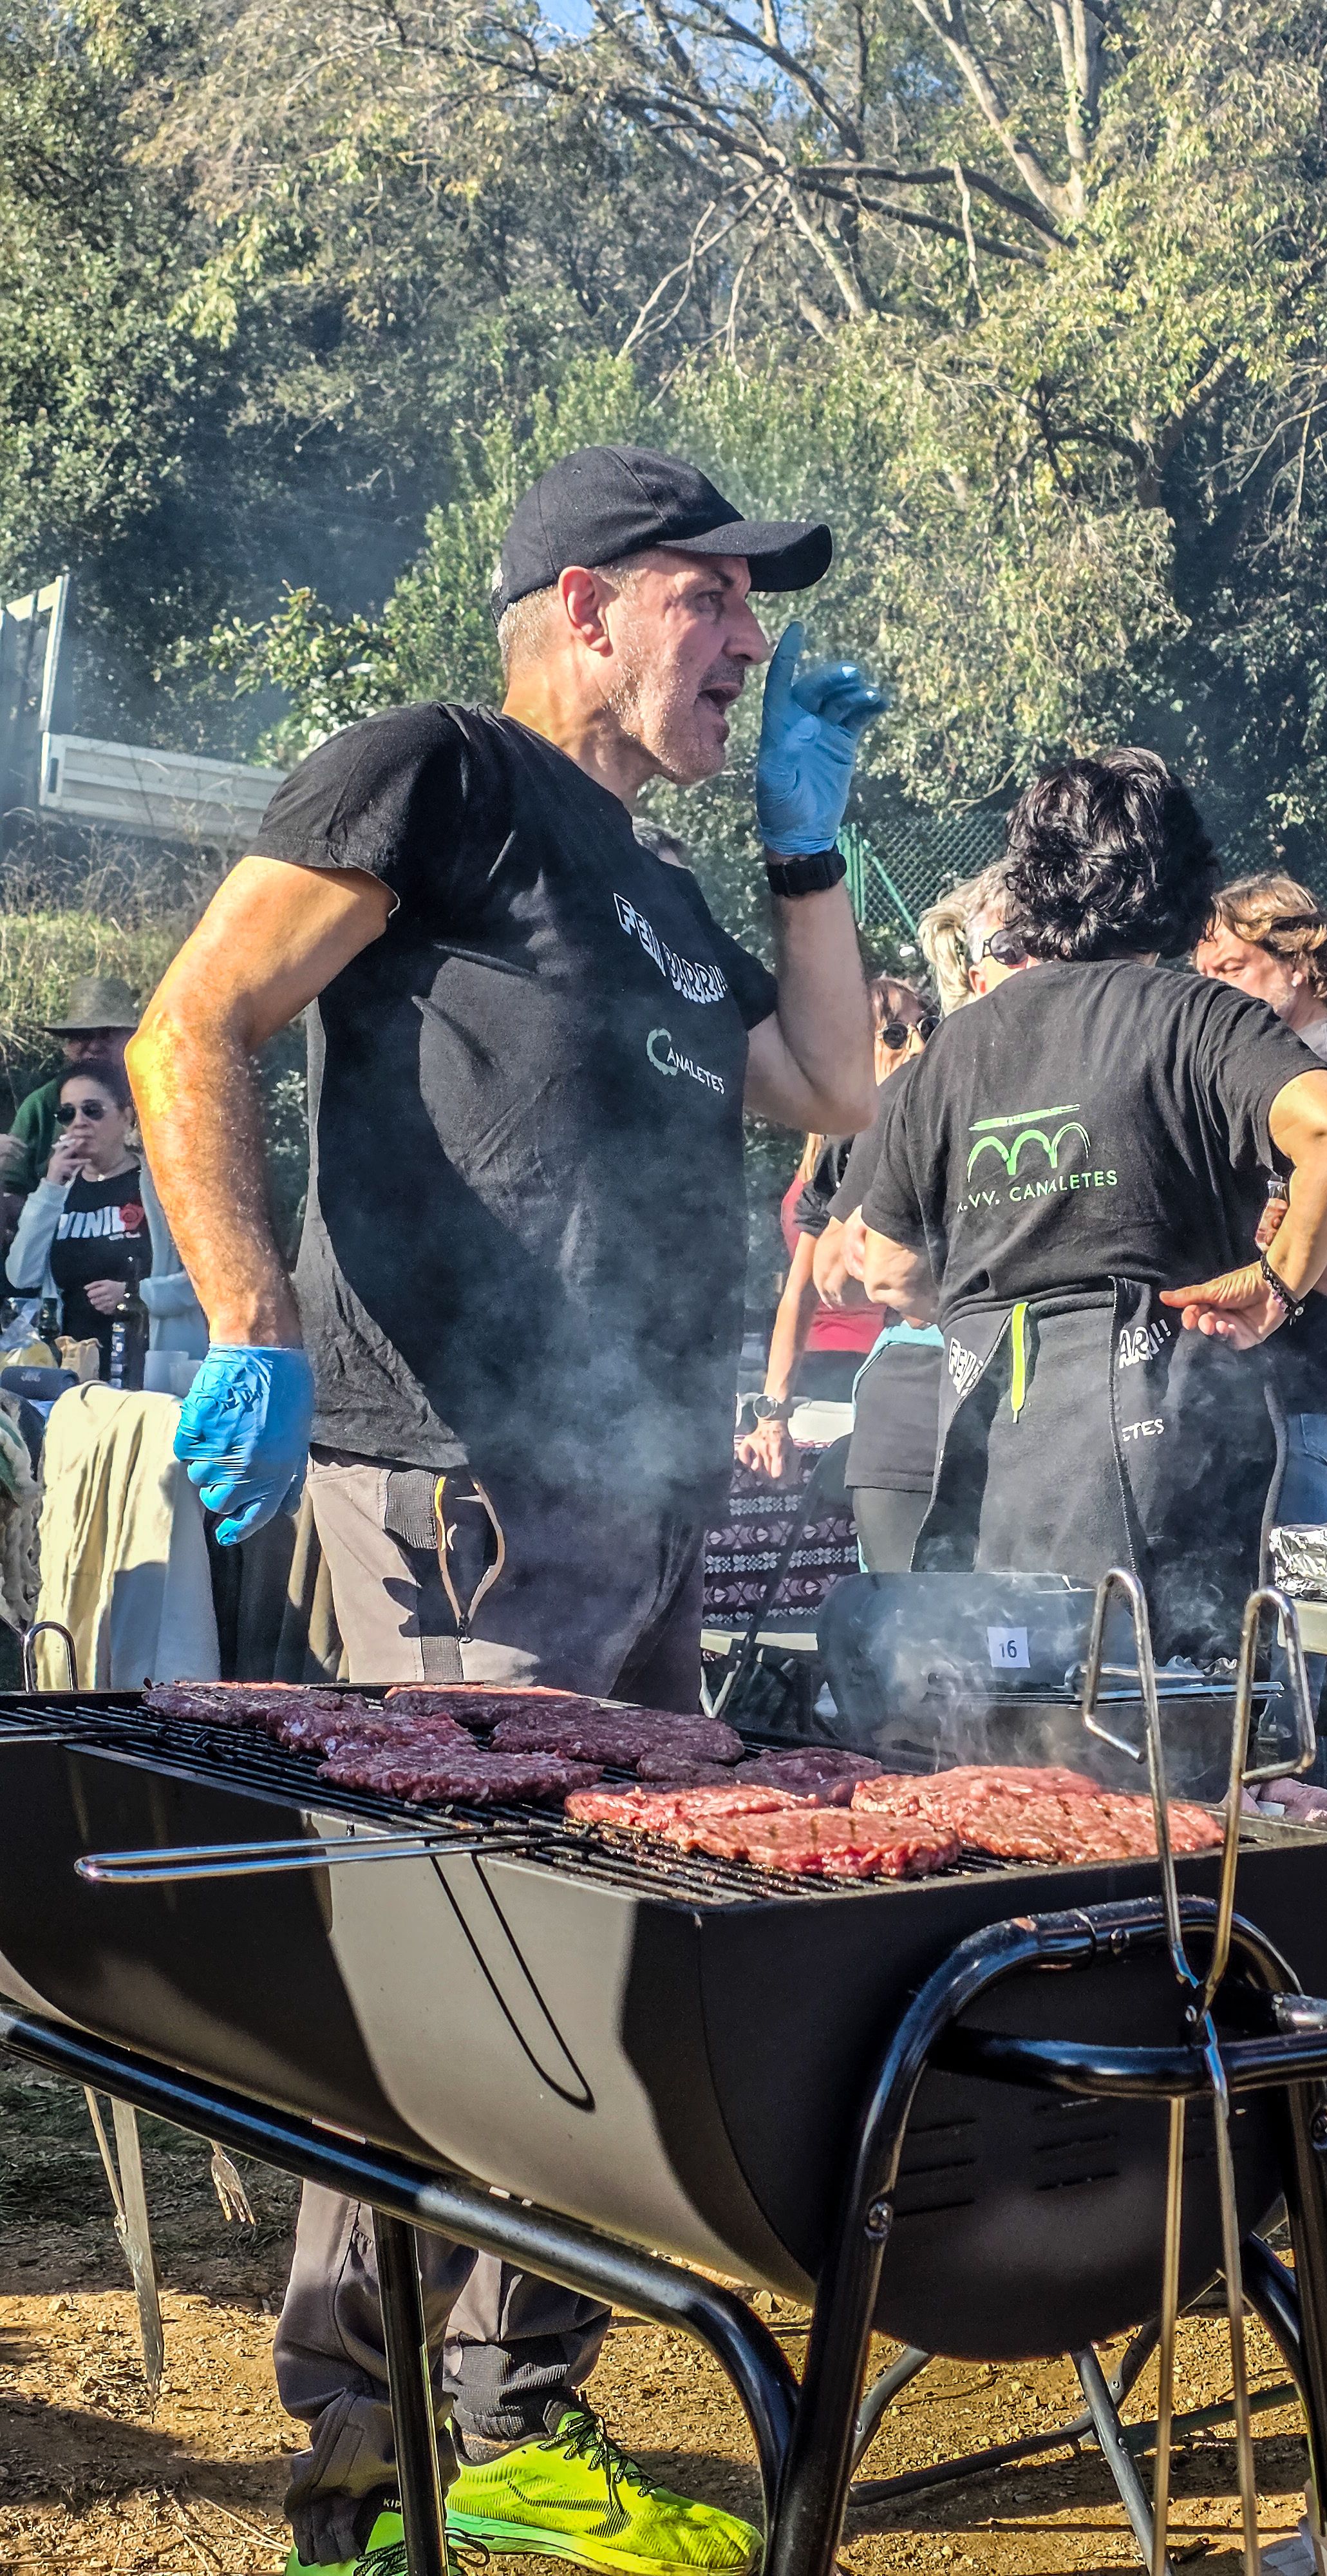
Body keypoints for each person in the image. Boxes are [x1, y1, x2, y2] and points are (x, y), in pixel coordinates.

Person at [127, 442, 881, 2576]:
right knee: (452, 1977)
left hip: (627, 1499)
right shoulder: (436, 773)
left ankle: (514, 2416)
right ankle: (371, 2462)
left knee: (602, 1966)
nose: (748, 640)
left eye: (754, 605)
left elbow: (827, 1092)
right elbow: (203, 1012)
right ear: (583, 607)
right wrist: (248, 1318)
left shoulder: (656, 886)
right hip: (451, 1488)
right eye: (709, 599)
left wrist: (805, 851)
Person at [859, 748, 1327, 1654]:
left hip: (992, 1451)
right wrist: (1278, 1283)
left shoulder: (952, 1049)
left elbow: (889, 1266)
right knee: (1181, 1745)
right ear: (1177, 882)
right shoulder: (1200, 1017)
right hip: (1169, 1452)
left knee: (1013, 1728)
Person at [1196, 876, 1327, 1824]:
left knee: (1314, 1658)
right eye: (1204, 973)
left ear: (1304, 962)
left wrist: (1260, 1238)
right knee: (1319, 1651)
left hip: (1307, 1404)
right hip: (1298, 1407)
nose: (1216, 991)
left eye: (1233, 968)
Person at [810, 875, 1013, 1567]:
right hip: (945, 1403)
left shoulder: (911, 1091)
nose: (914, 1040)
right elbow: (833, 1271)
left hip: (1016, 1416)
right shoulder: (915, 1091)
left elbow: (837, 1269)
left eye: (920, 1026)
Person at [735, 974, 932, 1479]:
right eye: (894, 1034)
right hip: (844, 1371)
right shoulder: (837, 1157)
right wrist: (772, 1412)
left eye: (926, 1026)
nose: (917, 1042)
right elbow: (801, 1291)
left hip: (887, 1365)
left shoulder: (929, 1123)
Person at [4, 1059, 206, 1380]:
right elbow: (22, 1274)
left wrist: (134, 1295)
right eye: (67, 1114)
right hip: (73, 1377)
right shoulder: (60, 1193)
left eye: (92, 1110)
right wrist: (51, 1184)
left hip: (150, 1373)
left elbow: (206, 1280)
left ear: (126, 1116)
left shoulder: (162, 1186)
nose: (79, 1122)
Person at [0, 974, 145, 1238]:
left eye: (108, 1034)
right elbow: (11, 1192)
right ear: (67, 1046)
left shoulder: (158, 1098)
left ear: (132, 1039)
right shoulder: (42, 1106)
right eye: (81, 1036)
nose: (95, 1046)